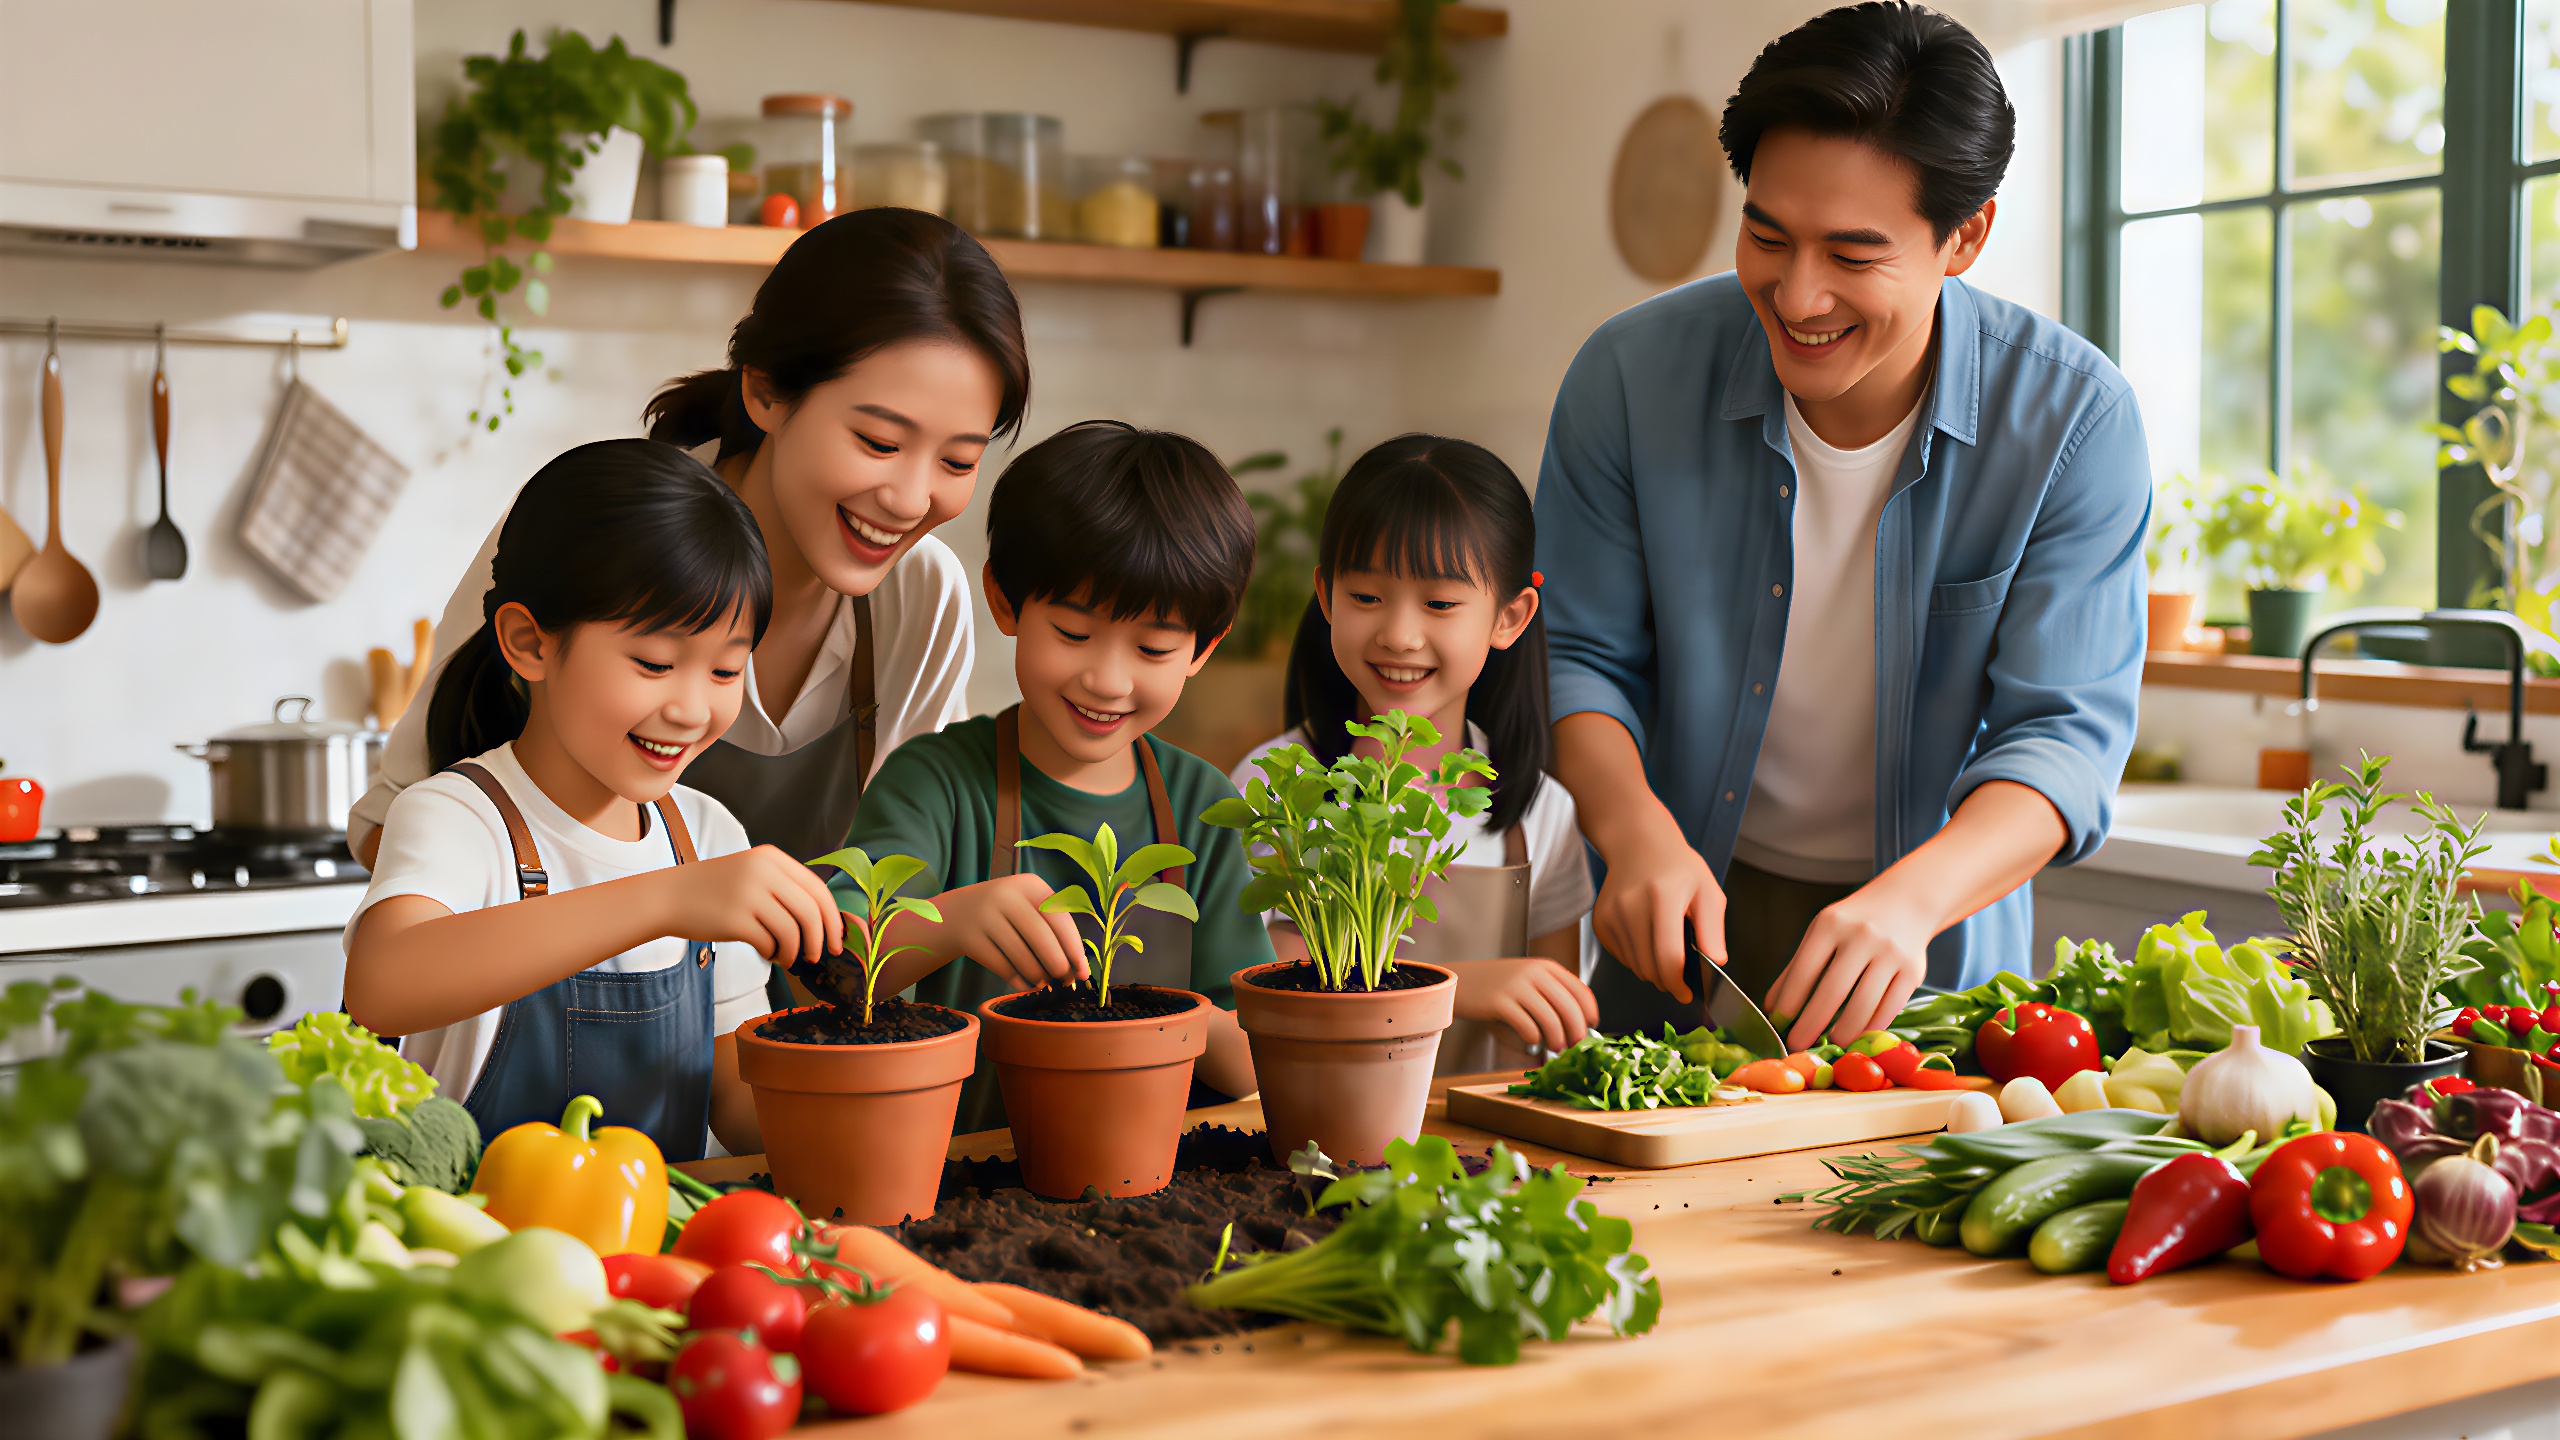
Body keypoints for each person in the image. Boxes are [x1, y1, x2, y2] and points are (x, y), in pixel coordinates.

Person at [1535, 2, 2149, 1053]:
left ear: (1966, 237)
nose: (1798, 292)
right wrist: (1630, 831)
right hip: (1680, 922)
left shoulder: (2071, 420)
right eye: (1766, 235)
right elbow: (1576, 652)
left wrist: (1909, 904)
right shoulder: (1628, 377)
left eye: (1853, 254)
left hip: (1926, 940)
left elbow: (2062, 737)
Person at [354, 209, 1029, 940]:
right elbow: (389, 832)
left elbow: (899, 877)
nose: (909, 498)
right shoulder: (600, 524)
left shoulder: (921, 596)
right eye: (878, 440)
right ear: (766, 391)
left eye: (959, 461)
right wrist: (656, 905)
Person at [343, 441, 846, 1163]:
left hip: (657, 1262)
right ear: (529, 643)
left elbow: (734, 1100)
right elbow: (382, 983)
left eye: (727, 669)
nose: (691, 708)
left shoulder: (707, 835)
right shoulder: (459, 816)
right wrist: (665, 899)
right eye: (655, 663)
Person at [837, 421, 1276, 1134]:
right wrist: (956, 920)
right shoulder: (937, 783)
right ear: (1006, 602)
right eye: (1073, 634)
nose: (1107, 680)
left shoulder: (1204, 808)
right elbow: (830, 969)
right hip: (969, 1179)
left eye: (1154, 647)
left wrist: (1143, 1011)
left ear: (1204, 648)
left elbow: (1254, 1063)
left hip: (1160, 1183)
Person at [1231, 434, 1598, 1072]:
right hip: (1311, 1151)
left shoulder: (1539, 813)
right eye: (1366, 597)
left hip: (1484, 1157)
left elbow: (1551, 1034)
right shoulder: (1275, 789)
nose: (1399, 635)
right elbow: (1269, 996)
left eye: (1440, 604)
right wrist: (1465, 986)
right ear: (1325, 595)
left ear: (1508, 618)